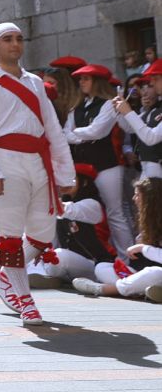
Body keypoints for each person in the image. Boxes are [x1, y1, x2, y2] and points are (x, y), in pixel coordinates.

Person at [0, 22, 75, 327]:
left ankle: (4, 279)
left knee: (42, 233)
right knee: (10, 234)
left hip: (38, 162)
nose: (14, 44)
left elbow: (53, 129)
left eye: (18, 39)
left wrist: (64, 172)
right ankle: (26, 302)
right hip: (5, 161)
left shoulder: (35, 83)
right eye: (7, 40)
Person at [63, 63, 131, 255]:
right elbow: (65, 134)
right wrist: (82, 134)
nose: (81, 82)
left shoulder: (109, 103)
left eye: (86, 79)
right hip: (84, 167)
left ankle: (127, 259)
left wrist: (76, 133)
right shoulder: (76, 107)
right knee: (85, 210)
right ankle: (96, 254)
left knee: (115, 213)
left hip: (107, 165)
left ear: (97, 81)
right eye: (80, 79)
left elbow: (98, 131)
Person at [74, 176, 162, 302]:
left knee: (155, 272)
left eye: (137, 195)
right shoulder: (148, 223)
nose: (134, 199)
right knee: (102, 267)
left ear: (151, 199)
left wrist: (144, 248)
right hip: (142, 275)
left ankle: (104, 289)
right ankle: (142, 289)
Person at [26, 165, 112, 288]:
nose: (64, 183)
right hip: (70, 264)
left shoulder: (92, 204)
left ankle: (47, 275)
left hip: (96, 265)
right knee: (33, 246)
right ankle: (42, 274)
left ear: (84, 182)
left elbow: (69, 210)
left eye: (70, 179)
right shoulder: (61, 205)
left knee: (60, 255)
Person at [114, 59, 162, 179]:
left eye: (155, 79)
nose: (145, 90)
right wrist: (120, 111)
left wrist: (128, 111)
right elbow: (130, 128)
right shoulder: (154, 108)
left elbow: (151, 138)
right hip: (147, 165)